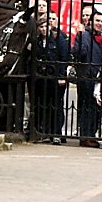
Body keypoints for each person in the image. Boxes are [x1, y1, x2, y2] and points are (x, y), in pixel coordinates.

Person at [73, 10, 102, 147]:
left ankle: (90, 135)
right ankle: (86, 137)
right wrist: (80, 35)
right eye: (97, 21)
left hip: (97, 76)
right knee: (88, 107)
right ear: (91, 22)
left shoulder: (99, 37)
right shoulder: (85, 35)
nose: (100, 24)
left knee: (95, 108)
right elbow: (80, 52)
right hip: (87, 76)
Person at [33, 14, 68, 142]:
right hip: (41, 79)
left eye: (45, 26)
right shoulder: (36, 40)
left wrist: (61, 76)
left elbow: (64, 58)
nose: (43, 29)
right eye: (41, 26)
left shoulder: (59, 39)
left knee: (56, 106)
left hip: (54, 78)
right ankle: (41, 132)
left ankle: (56, 133)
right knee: (41, 105)